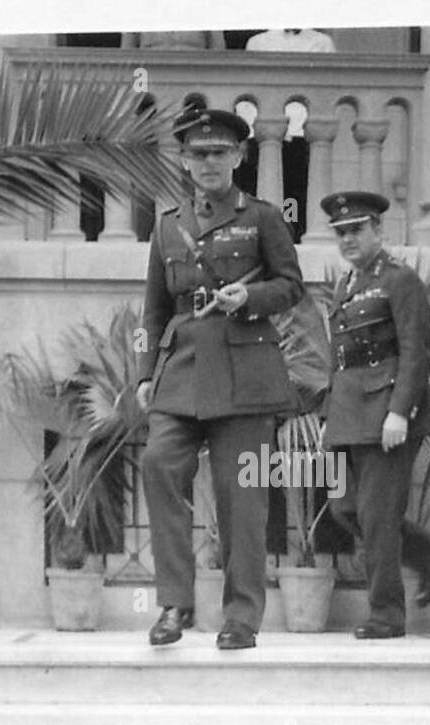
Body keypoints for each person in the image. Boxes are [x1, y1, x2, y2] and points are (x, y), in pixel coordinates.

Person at [136, 109, 305, 650]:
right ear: (184, 161)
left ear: (239, 157)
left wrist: (249, 298)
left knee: (242, 497)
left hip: (245, 372)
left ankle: (240, 617)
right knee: (159, 462)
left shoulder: (263, 217)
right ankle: (174, 603)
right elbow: (154, 309)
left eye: (219, 152)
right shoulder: (167, 224)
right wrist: (145, 375)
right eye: (197, 154)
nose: (208, 162)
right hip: (182, 371)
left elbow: (291, 287)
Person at [319, 191, 430, 639]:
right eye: (341, 233)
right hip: (346, 416)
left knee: (378, 517)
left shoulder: (400, 281)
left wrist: (400, 412)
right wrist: (329, 413)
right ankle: (429, 553)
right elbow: (339, 358)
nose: (348, 239)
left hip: (387, 417)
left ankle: (386, 616)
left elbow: (416, 352)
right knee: (344, 509)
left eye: (356, 230)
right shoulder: (347, 285)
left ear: (379, 230)